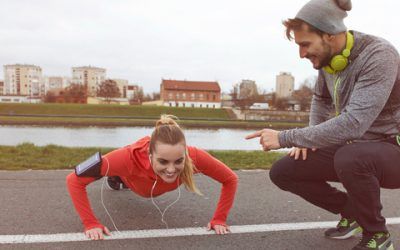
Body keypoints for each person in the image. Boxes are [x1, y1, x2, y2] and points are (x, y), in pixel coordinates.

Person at [246, 0, 400, 249]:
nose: (302, 54)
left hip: (392, 149)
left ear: (329, 34)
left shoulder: (379, 55)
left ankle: (377, 236)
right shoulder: (329, 61)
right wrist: (309, 142)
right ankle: (352, 212)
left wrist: (288, 137)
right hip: (356, 147)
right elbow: (321, 99)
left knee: (351, 157)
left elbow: (354, 123)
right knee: (284, 171)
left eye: (305, 44)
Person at [67, 114, 238, 240]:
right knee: (115, 170)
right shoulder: (127, 157)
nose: (171, 169)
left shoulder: (195, 157)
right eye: (163, 161)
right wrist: (90, 223)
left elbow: (230, 179)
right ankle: (116, 177)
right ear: (150, 157)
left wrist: (219, 219)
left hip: (148, 185)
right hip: (129, 177)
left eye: (178, 161)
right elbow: (73, 180)